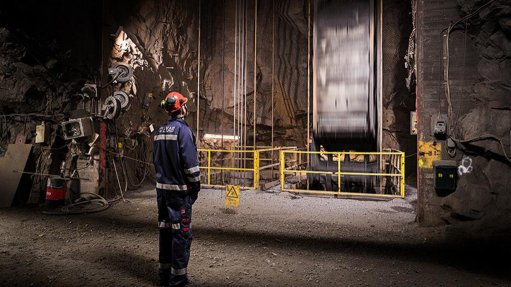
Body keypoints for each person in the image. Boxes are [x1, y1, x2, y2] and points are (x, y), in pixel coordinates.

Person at [153, 91, 201, 287]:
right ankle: (178, 279)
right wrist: (195, 186)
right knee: (181, 234)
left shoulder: (159, 131)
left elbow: (155, 161)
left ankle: (164, 274)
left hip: (161, 192)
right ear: (181, 108)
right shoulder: (183, 131)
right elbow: (190, 165)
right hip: (179, 192)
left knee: (165, 232)